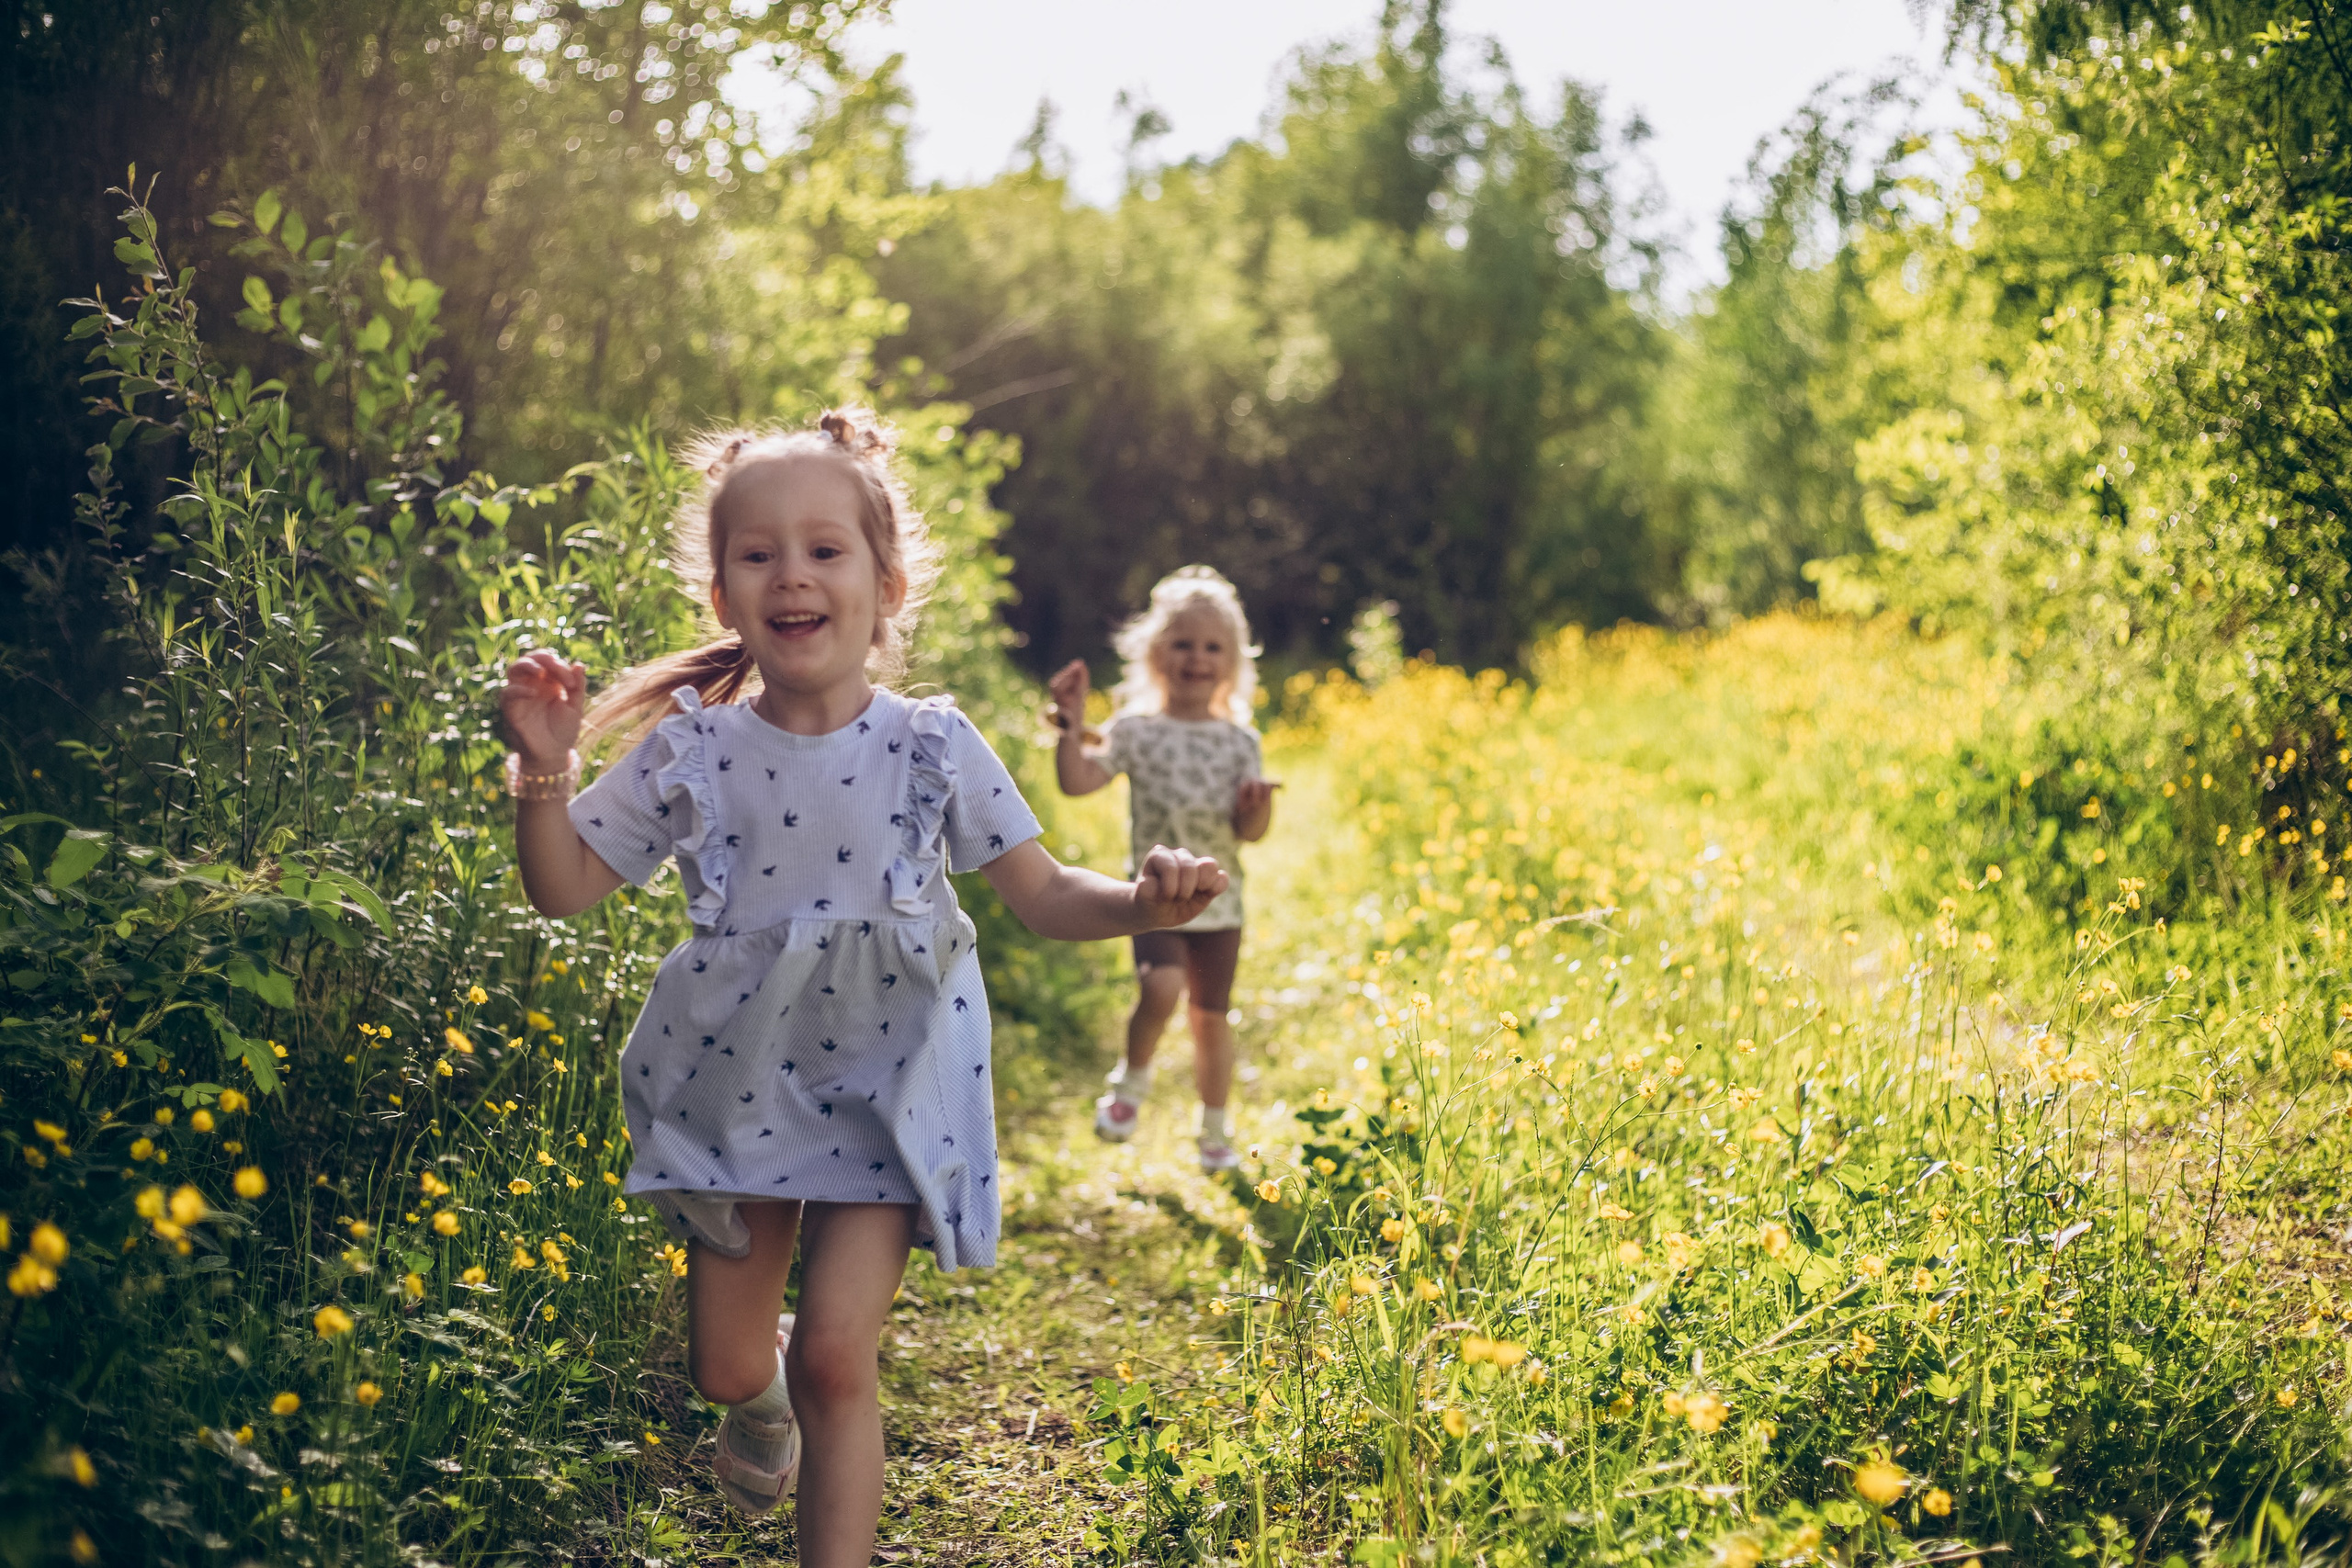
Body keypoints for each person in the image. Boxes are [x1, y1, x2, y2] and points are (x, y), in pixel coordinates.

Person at [497, 410, 1225, 1565]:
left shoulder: (930, 746)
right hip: (736, 1089)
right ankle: (759, 1403)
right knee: (732, 1366)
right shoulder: (695, 753)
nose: (793, 573)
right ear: (725, 592)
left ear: (884, 587)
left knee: (836, 1355)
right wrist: (545, 770)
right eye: (759, 553)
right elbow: (567, 888)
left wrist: (1142, 903)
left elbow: (1040, 895)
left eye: (826, 550)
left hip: (893, 1079)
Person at [1046, 566, 1276, 1174]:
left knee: (1210, 1017)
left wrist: (1257, 809)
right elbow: (1077, 782)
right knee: (1162, 986)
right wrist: (1070, 726)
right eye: (1182, 643)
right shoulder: (1136, 730)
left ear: (1231, 661)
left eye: (1211, 647)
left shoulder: (1238, 740)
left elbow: (1248, 834)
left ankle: (1215, 1131)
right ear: (1155, 653)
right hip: (1151, 895)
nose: (1196, 658)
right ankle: (1131, 1084)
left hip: (1218, 900)